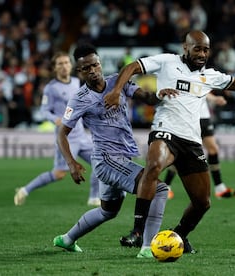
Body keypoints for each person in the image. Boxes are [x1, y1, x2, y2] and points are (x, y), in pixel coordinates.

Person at [104, 30, 235, 253]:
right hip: (165, 131)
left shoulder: (211, 76)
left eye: (206, 49)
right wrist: (116, 91)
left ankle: (179, 235)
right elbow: (132, 67)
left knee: (202, 203)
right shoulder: (167, 61)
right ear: (185, 47)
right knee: (153, 166)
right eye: (197, 48)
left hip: (191, 141)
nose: (202, 53)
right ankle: (138, 231)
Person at [52, 44, 178, 258]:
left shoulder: (116, 82)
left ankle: (66, 239)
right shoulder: (79, 99)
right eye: (86, 68)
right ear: (79, 72)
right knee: (159, 188)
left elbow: (145, 97)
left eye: (95, 65)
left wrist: (159, 94)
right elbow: (61, 134)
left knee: (107, 211)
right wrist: (71, 164)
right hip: (106, 159)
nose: (92, 70)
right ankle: (147, 248)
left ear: (100, 63)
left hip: (119, 158)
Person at [14, 51, 100, 207]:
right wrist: (56, 120)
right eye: (60, 64)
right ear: (54, 68)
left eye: (66, 62)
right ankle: (25, 190)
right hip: (66, 138)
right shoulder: (51, 88)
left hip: (81, 135)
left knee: (100, 162)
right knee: (59, 174)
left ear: (71, 65)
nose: (64, 66)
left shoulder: (76, 82)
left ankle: (94, 198)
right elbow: (44, 110)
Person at [164, 93, 235, 200]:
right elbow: (197, 88)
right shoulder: (186, 77)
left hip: (204, 117)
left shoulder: (202, 76)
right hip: (190, 116)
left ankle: (220, 188)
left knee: (213, 149)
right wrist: (214, 98)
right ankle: (166, 186)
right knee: (183, 153)